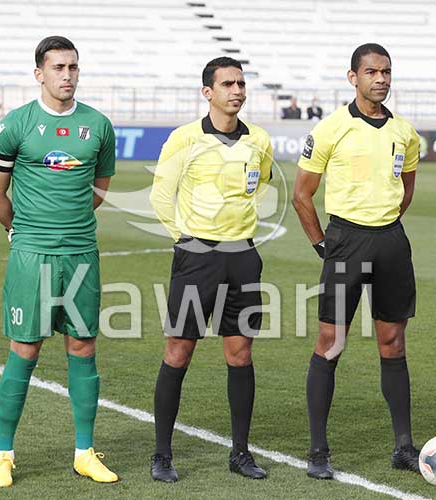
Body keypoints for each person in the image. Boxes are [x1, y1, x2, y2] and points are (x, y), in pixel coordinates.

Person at [0, 35, 118, 488]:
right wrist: (21, 232)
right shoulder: (15, 125)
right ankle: (3, 454)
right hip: (32, 256)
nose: (67, 75)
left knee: (83, 347)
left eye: (73, 67)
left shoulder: (98, 125)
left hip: (81, 254)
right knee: (25, 349)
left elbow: (99, 188)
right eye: (58, 67)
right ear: (39, 73)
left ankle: (84, 452)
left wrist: (70, 226)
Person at [292, 43, 421, 479]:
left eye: (386, 71)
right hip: (345, 241)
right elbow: (302, 195)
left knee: (394, 343)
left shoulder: (405, 131)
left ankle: (403, 447)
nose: (380, 79)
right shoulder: (331, 128)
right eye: (371, 72)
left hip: (391, 242)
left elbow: (407, 188)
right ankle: (317, 450)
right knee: (331, 343)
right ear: (353, 77)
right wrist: (322, 245)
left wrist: (385, 225)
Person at [149, 56, 273, 483]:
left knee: (240, 353)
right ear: (207, 92)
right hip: (197, 258)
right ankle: (162, 454)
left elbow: (262, 185)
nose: (237, 91)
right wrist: (186, 239)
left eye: (241, 83)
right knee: (178, 351)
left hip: (244, 257)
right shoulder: (184, 138)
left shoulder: (259, 140)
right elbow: (161, 196)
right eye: (227, 84)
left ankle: (240, 453)